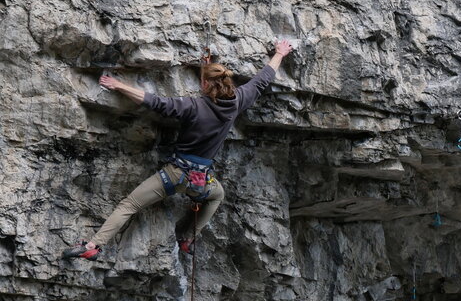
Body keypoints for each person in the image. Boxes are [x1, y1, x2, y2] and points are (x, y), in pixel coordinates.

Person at [62, 40, 294, 260]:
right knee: (218, 196)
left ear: (204, 85)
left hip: (174, 175)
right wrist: (280, 53)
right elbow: (263, 79)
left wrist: (119, 85)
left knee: (130, 205)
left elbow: (154, 102)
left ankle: (93, 246)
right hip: (201, 181)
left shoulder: (192, 107)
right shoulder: (237, 102)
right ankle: (188, 238)